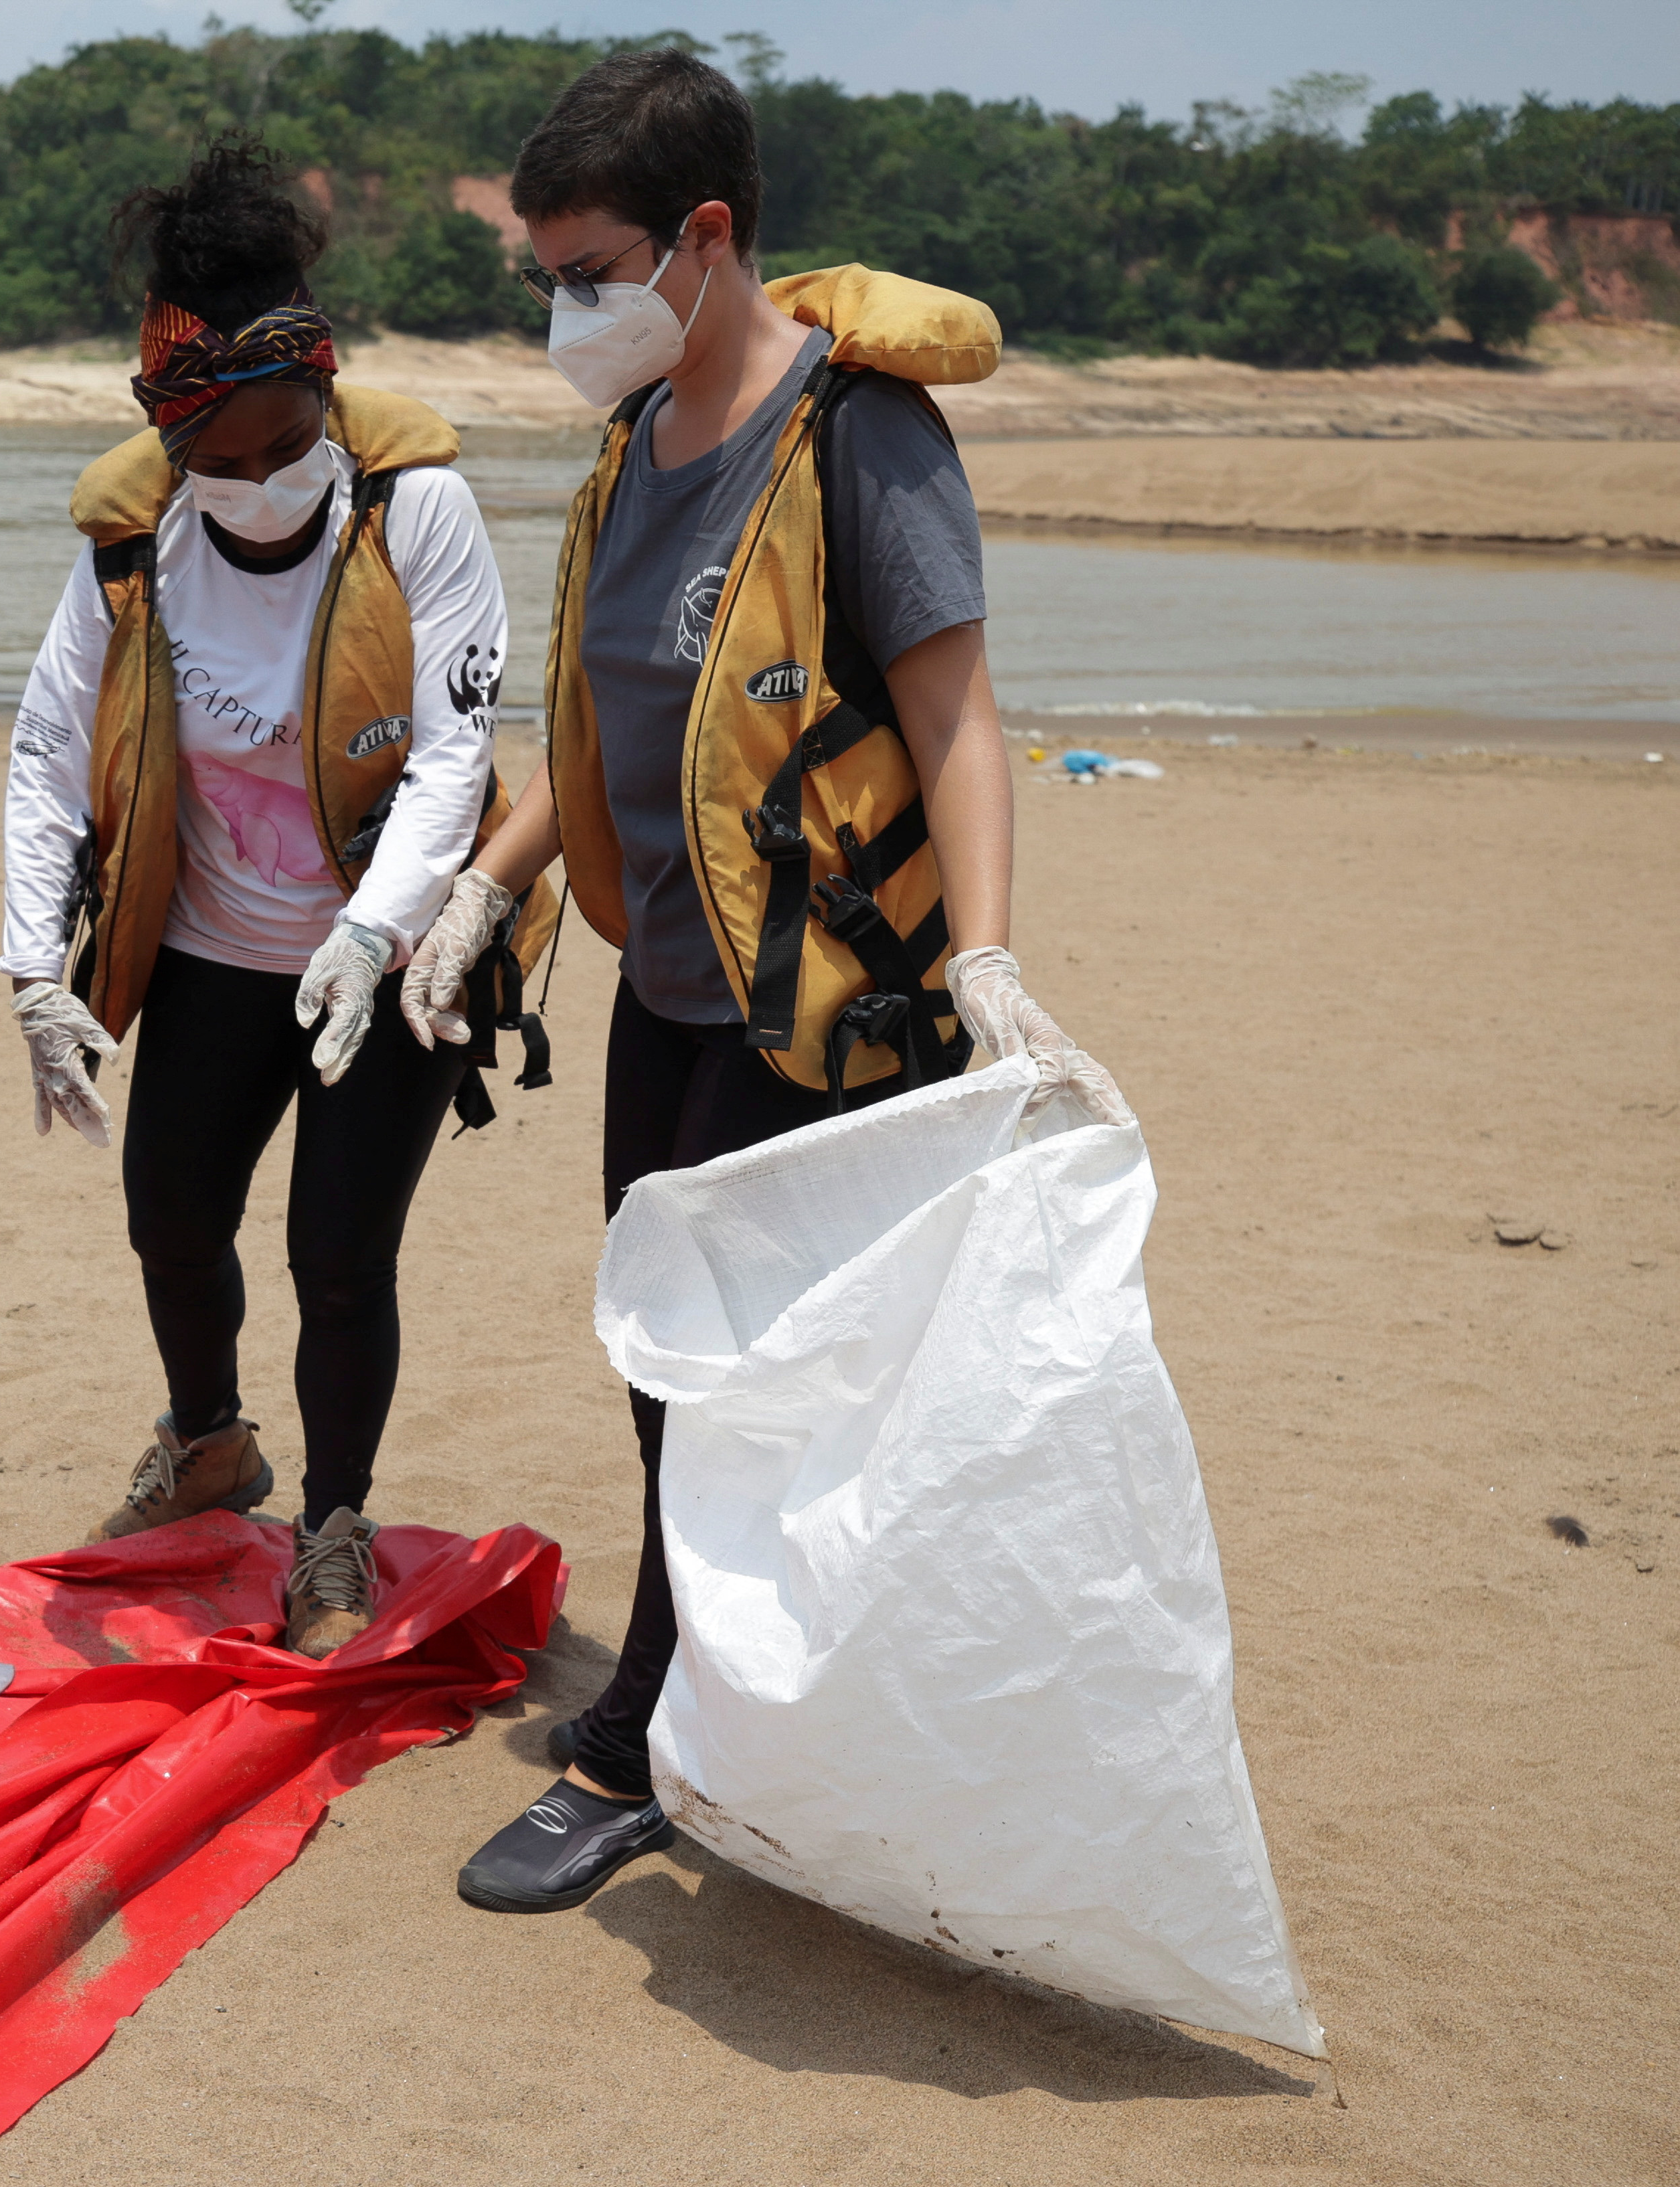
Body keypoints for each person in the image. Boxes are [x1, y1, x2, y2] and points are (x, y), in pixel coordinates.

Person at [402, 52, 1137, 1913]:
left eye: (589, 270)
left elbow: (953, 710)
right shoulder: (627, 445)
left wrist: (982, 957)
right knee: (664, 1376)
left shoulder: (850, 438)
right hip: (664, 994)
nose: (565, 312)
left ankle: (633, 1740)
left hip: (819, 1009)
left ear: (704, 239)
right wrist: (485, 894)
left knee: (739, 1395)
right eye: (547, 277)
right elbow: (614, 734)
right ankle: (744, 1707)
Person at [2, 140, 537, 1658]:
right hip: (213, 955)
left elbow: (453, 750)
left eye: (282, 446)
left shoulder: (412, 511)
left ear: (325, 399)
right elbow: (48, 753)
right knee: (169, 1216)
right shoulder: (134, 547)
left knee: (335, 1253)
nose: (252, 482)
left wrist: (376, 935)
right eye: (217, 462)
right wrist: (29, 971)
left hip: (395, 952)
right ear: (169, 436)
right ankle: (208, 1445)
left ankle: (333, 1527)